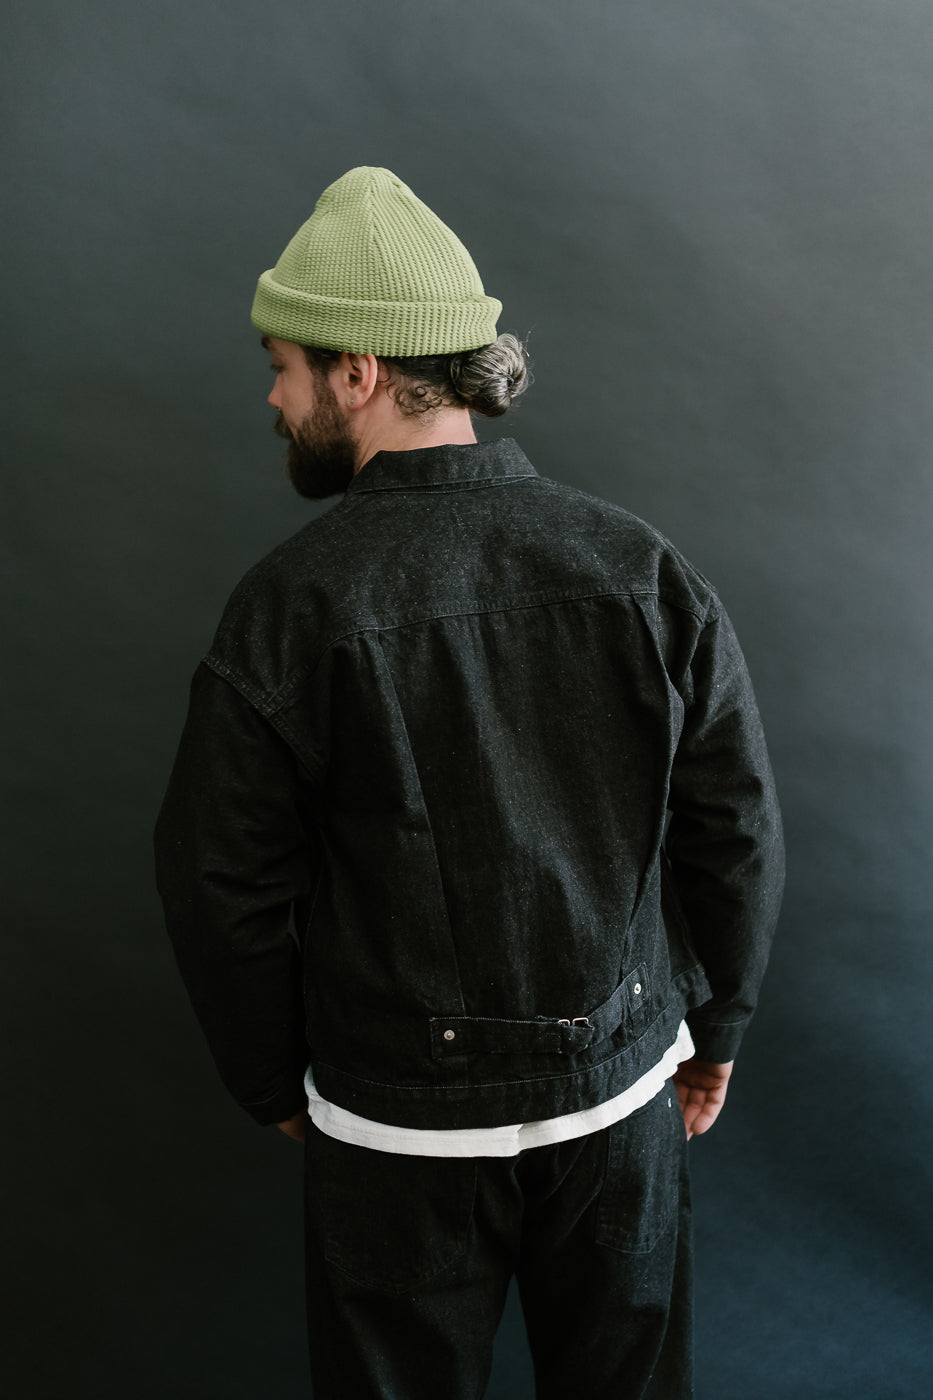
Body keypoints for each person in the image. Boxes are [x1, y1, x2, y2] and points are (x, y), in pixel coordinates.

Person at [155, 166, 784, 1400]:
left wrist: (270, 1075)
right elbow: (736, 822)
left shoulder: (288, 607)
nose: (274, 399)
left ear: (357, 372)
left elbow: (217, 878)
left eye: (282, 368)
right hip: (619, 1102)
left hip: (395, 1131)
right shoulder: (639, 567)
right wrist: (720, 1023)